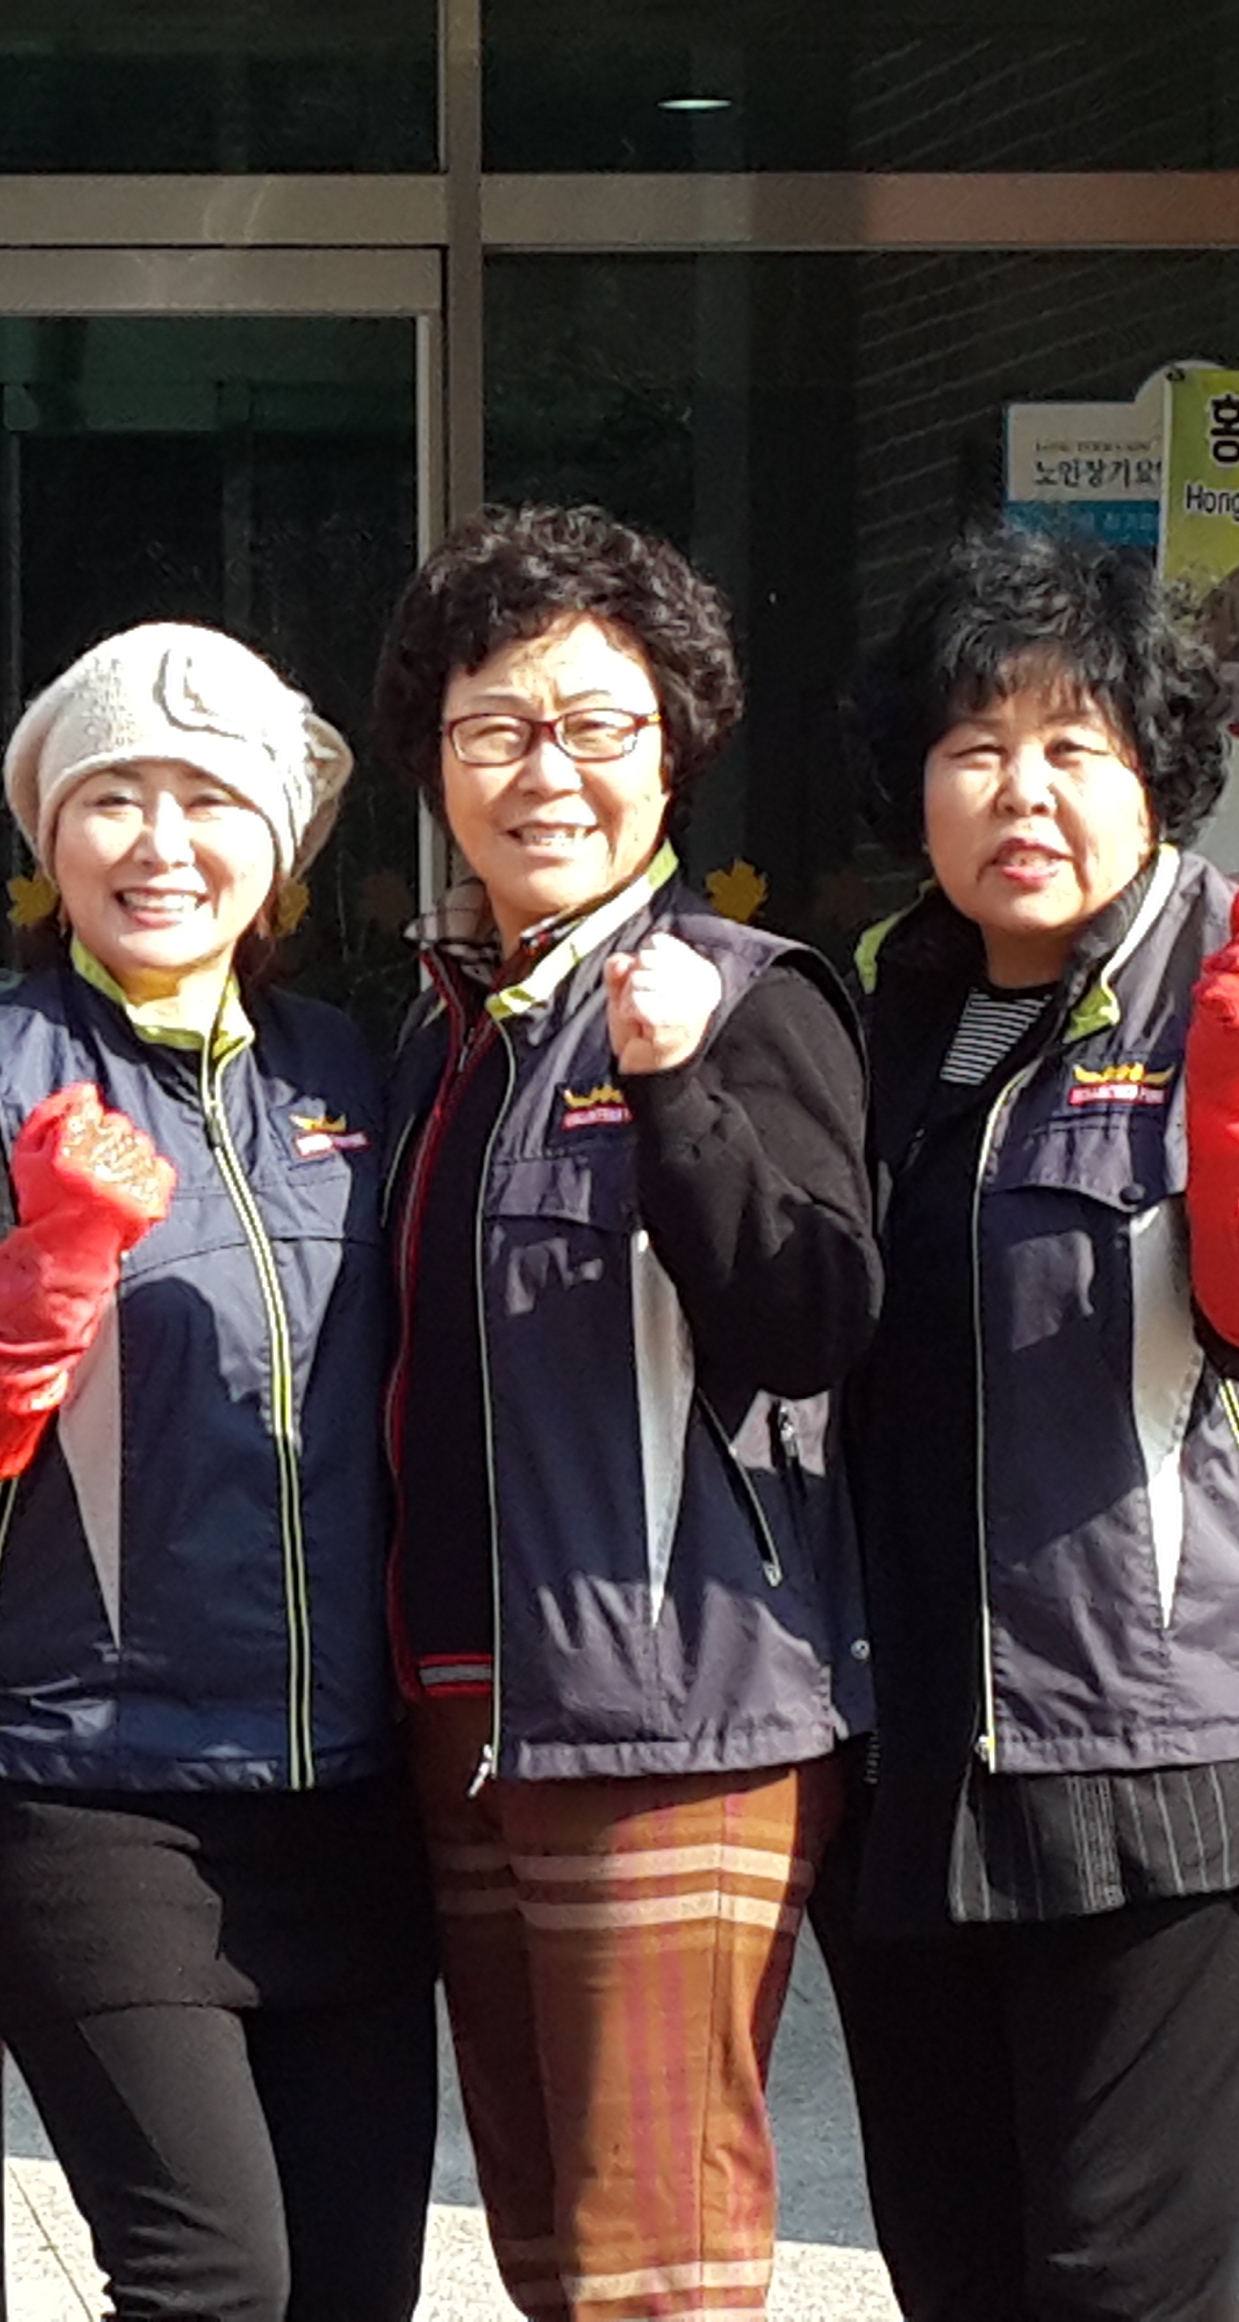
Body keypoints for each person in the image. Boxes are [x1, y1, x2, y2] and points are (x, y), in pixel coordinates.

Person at [819, 521, 1239, 2322]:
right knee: (960, 2273)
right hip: (915, 1748)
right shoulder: (881, 1007)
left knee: (1117, 2281)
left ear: (1157, 768)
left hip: (1182, 1746)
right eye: (976, 746)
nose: (1024, 791)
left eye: (1075, 744)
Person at [0, 623, 433, 2319]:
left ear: (280, 847)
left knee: (353, 2292)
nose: (160, 841)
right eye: (112, 798)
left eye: (208, 798)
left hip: (346, 1789)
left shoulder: (349, 1068)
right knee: (212, 2285)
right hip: (81, 1785)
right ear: (50, 842)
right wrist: (50, 1266)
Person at [366, 504, 879, 2321]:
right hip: (464, 1701)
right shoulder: (443, 1030)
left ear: (675, 747)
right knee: (544, 2238)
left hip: (672, 1705)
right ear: (436, 761)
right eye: (495, 727)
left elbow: (813, 1321)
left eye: (596, 722)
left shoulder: (744, 1000)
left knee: (653, 2259)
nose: (545, 771)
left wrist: (671, 1093)